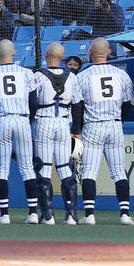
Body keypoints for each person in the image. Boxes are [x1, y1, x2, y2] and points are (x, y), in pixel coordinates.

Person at [69, 38, 134, 225]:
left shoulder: (82, 75)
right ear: (109, 52)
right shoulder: (120, 74)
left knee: (90, 171)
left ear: (89, 53)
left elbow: (78, 106)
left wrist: (77, 129)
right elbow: (127, 103)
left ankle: (89, 215)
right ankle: (124, 214)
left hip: (93, 126)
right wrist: (118, 121)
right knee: (119, 172)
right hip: (114, 124)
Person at [0, 39, 40, 225]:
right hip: (22, 119)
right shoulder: (26, 73)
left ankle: (5, 215)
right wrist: (27, 121)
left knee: (1, 169)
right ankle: (32, 213)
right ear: (14, 53)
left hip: (1, 120)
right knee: (27, 168)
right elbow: (34, 102)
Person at [31, 43, 80, 225]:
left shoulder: (38, 76)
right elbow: (77, 105)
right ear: (62, 57)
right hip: (63, 123)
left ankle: (48, 215)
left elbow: (32, 102)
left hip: (44, 120)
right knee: (65, 167)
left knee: (43, 168)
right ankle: (71, 215)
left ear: (46, 55)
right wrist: (76, 131)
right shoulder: (72, 77)